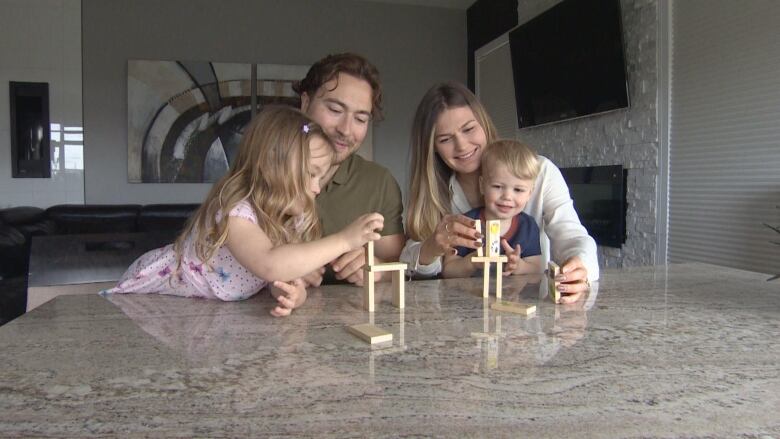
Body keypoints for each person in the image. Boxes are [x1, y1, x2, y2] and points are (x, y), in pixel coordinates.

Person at [105, 106, 384, 316]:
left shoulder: (293, 218)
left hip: (204, 313)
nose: (317, 188)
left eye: (319, 178)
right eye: (310, 174)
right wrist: (344, 240)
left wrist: (291, 291)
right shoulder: (236, 211)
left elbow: (275, 275)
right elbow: (268, 262)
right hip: (157, 296)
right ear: (272, 169)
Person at [401, 82, 598, 303]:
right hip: (463, 315)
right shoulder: (435, 194)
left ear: (484, 124)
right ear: (433, 148)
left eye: (469, 129)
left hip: (528, 318)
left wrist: (580, 268)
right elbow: (410, 264)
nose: (462, 145)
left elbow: (572, 236)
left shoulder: (539, 172)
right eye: (445, 139)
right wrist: (431, 248)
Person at [293, 53, 405, 286]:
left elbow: (401, 267)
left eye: (361, 119)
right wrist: (275, 270)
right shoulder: (262, 167)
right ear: (305, 102)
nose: (346, 129)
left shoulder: (379, 183)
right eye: (335, 110)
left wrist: (378, 269)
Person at [443, 139, 543, 278]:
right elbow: (448, 271)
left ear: (529, 194)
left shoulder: (528, 226)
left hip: (514, 298)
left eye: (518, 190)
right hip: (471, 297)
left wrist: (518, 266)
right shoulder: (466, 224)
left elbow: (537, 268)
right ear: (482, 185)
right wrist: (473, 262)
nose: (507, 196)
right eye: (497, 187)